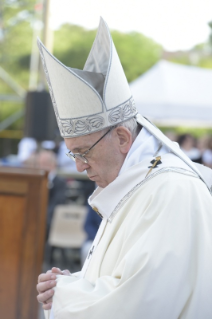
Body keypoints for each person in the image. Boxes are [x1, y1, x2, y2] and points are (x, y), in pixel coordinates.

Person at [36, 18, 212, 319]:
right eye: (71, 152)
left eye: (84, 151)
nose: (78, 166)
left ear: (121, 137)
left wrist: (67, 295)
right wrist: (72, 283)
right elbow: (124, 279)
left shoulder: (170, 189)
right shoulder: (138, 183)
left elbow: (144, 304)